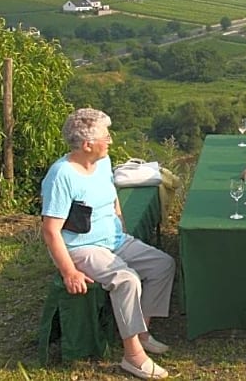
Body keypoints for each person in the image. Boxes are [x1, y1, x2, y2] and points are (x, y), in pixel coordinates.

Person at [40, 108, 175, 380]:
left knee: (163, 265)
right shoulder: (62, 176)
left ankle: (141, 332)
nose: (110, 140)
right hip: (83, 246)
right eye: (106, 136)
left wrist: (121, 226)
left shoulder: (102, 162)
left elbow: (113, 197)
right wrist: (70, 272)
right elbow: (51, 231)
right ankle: (133, 357)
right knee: (127, 280)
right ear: (88, 145)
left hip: (114, 239)